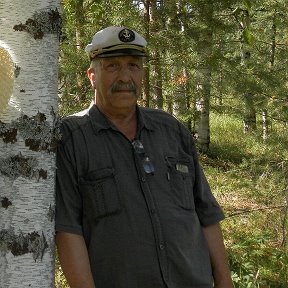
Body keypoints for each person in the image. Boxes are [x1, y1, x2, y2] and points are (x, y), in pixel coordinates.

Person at [55, 26, 233, 288]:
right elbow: (68, 230)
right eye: (113, 66)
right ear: (92, 75)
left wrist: (224, 281)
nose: (125, 76)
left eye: (134, 66)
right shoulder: (71, 138)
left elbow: (205, 213)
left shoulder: (170, 129)